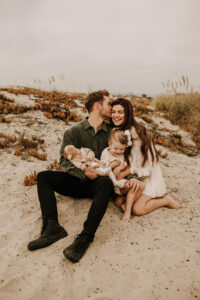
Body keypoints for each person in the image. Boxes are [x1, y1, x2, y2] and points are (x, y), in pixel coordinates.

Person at [27, 90, 143, 263]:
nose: (111, 108)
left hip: (100, 186)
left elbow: (125, 156)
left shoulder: (113, 132)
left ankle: (85, 237)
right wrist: (84, 172)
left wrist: (133, 176)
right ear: (97, 106)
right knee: (44, 177)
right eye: (108, 103)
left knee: (104, 182)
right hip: (78, 182)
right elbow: (64, 161)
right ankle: (52, 227)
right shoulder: (73, 132)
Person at [111, 98, 182, 216]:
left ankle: (166, 200)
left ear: (127, 114)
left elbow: (141, 164)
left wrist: (122, 174)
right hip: (134, 173)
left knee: (137, 210)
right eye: (113, 112)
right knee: (119, 202)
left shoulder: (133, 132)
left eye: (120, 112)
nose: (115, 115)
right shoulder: (120, 129)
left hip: (147, 175)